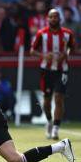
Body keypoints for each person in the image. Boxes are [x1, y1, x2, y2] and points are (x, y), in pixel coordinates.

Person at [30, 9, 75, 140]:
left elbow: (72, 47)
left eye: (56, 17)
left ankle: (56, 128)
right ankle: (49, 121)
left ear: (59, 19)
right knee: (47, 101)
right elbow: (32, 50)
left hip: (62, 70)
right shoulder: (41, 34)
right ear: (47, 19)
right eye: (51, 17)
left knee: (59, 98)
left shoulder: (68, 34)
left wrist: (66, 54)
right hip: (46, 70)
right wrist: (43, 55)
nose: (53, 19)